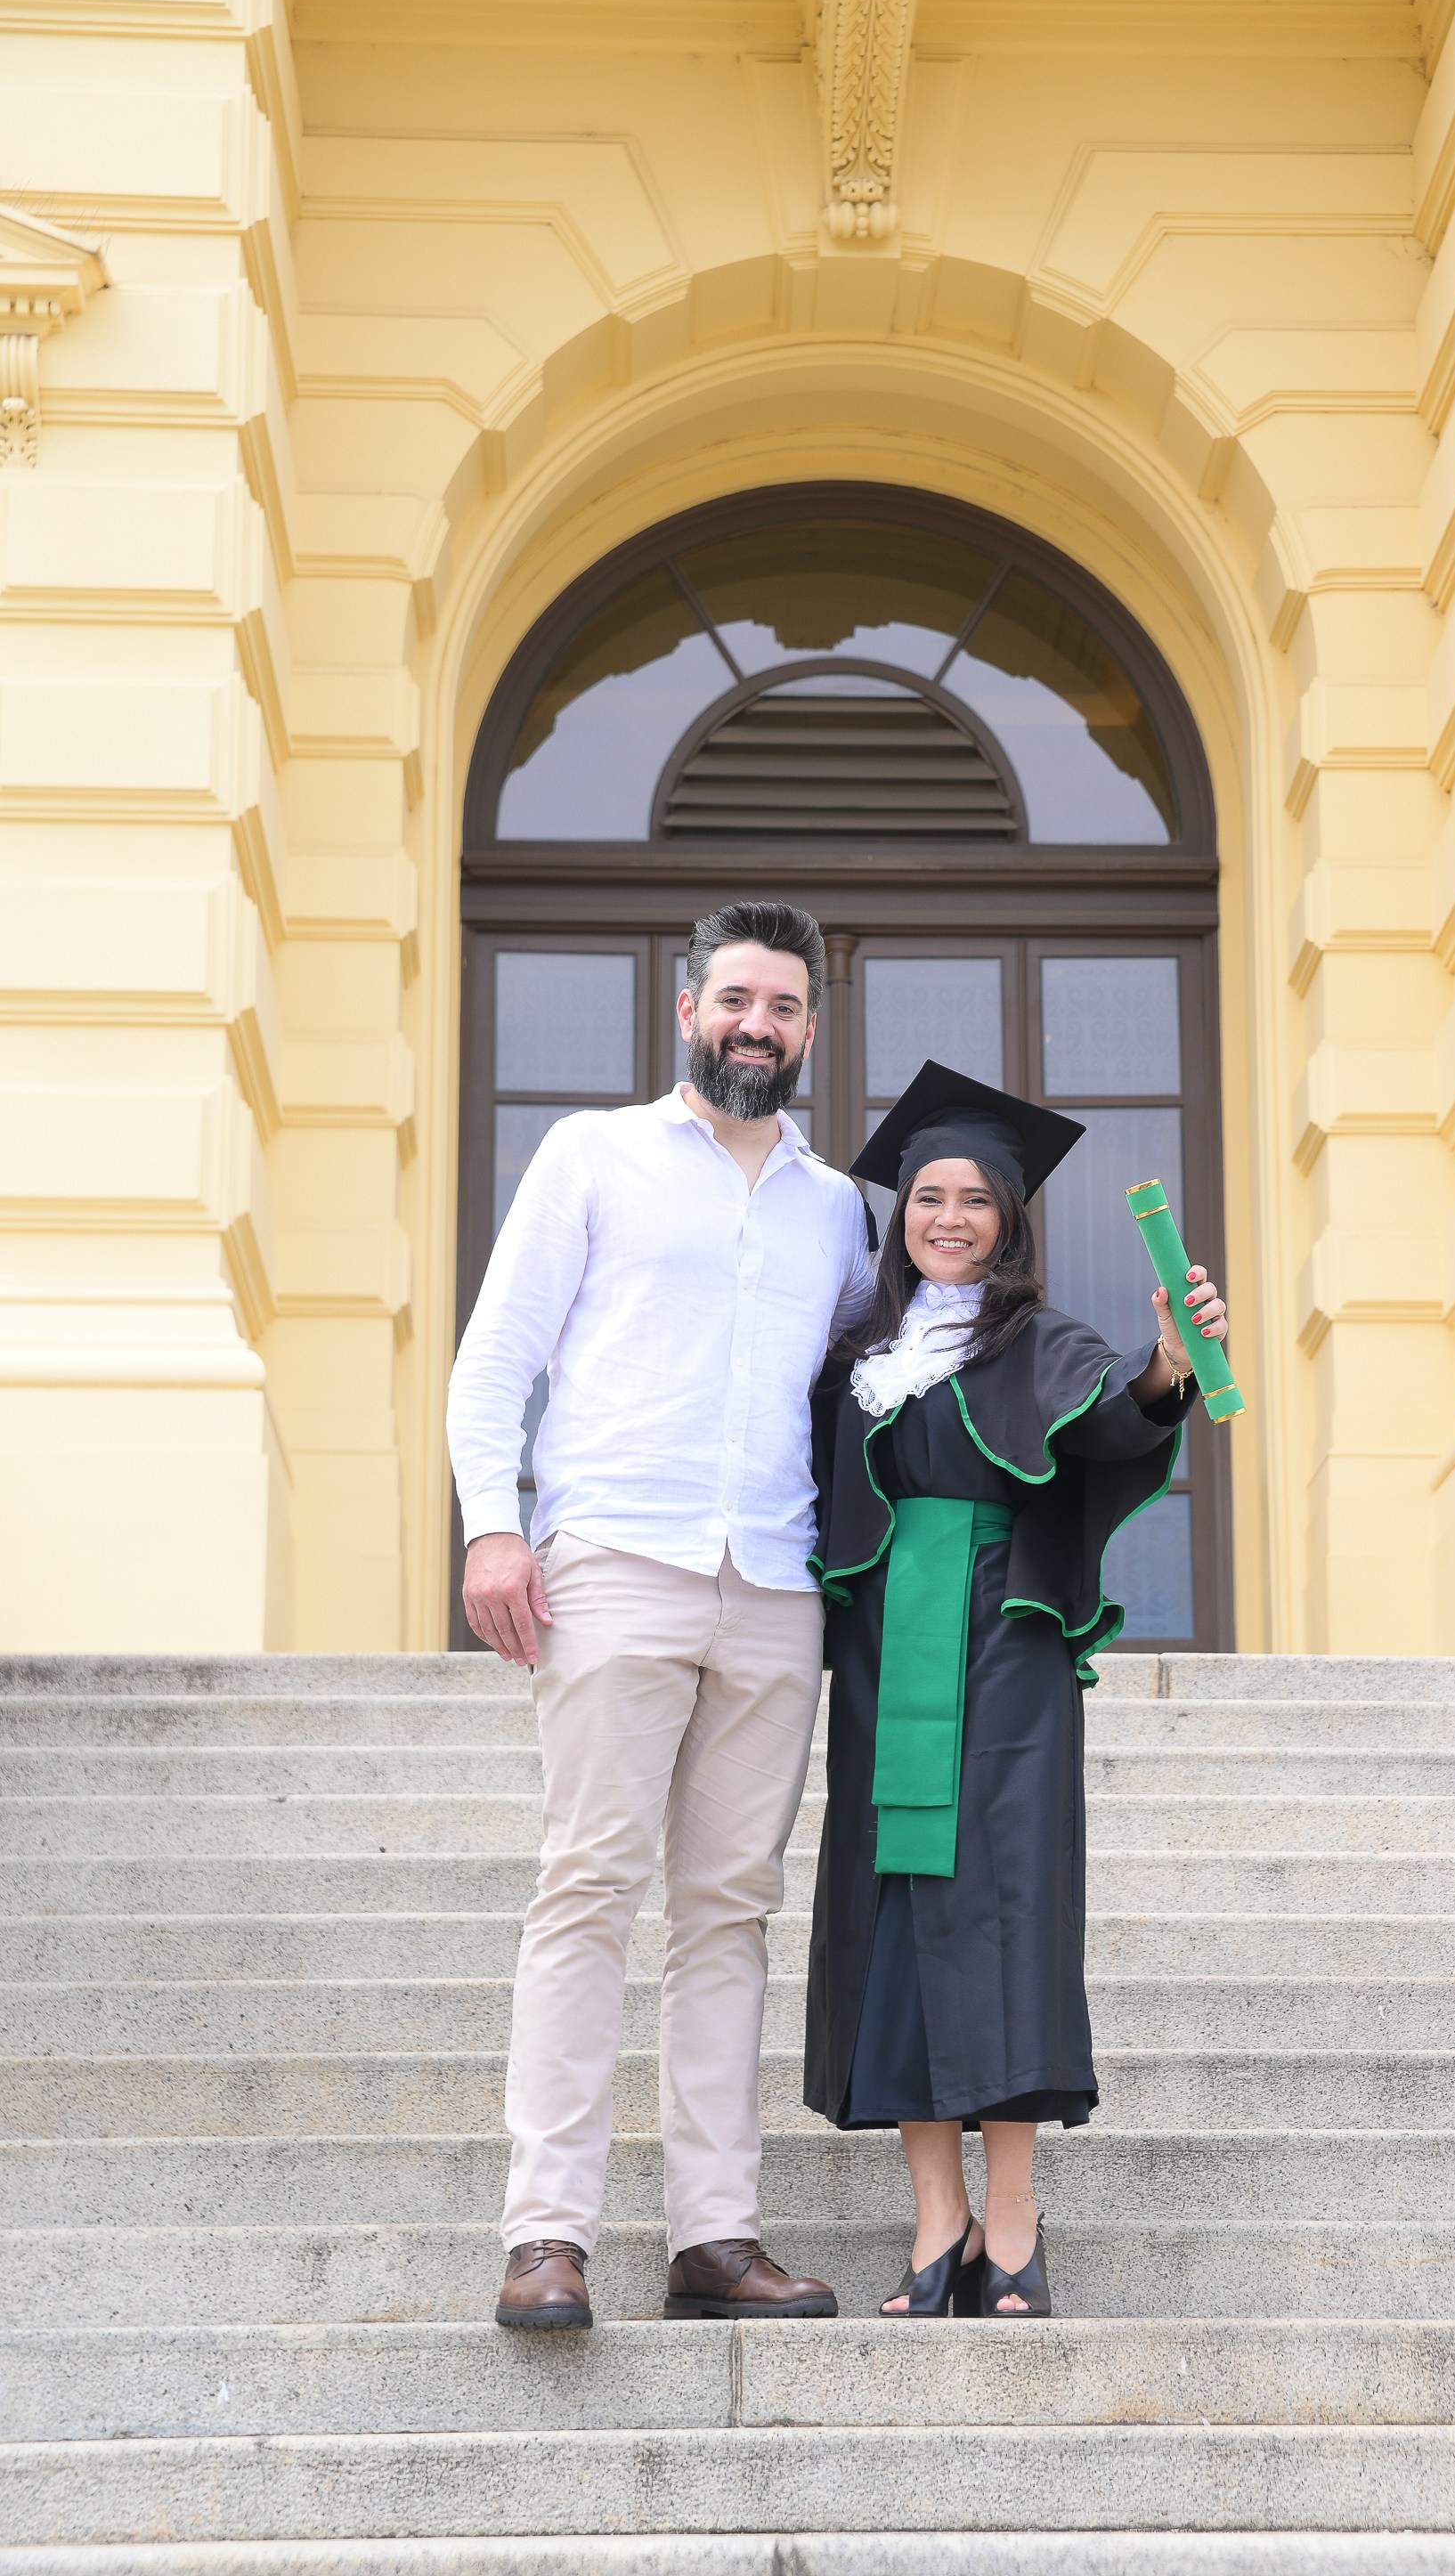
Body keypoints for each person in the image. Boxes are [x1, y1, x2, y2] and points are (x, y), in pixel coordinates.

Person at [447, 899, 873, 2329]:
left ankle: (713, 2238)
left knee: (729, 1915)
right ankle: (546, 2235)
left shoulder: (837, 1209)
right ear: (687, 1008)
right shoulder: (594, 1155)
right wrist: (493, 1522)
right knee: (586, 1889)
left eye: (787, 1008)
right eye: (737, 1000)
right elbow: (498, 1351)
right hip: (615, 1559)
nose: (760, 1026)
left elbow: (888, 1381)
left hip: (772, 1585)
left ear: (814, 1029)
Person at [803, 1062, 1228, 2319]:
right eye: (927, 1196)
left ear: (1008, 1221)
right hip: (886, 1644)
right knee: (892, 1919)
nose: (947, 1216)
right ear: (902, 1216)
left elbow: (1118, 1416)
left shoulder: (1040, 1340)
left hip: (1006, 1643)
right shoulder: (859, 1357)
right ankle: (938, 2228)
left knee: (1004, 1908)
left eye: (974, 1199)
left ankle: (1017, 2230)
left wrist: (1169, 1360)